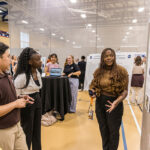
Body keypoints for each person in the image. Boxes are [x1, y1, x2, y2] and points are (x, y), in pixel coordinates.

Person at [89, 48, 128, 150]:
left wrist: (116, 102)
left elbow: (125, 91)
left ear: (114, 56)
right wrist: (92, 92)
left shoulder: (121, 71)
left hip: (114, 103)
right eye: (106, 56)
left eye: (111, 55)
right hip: (100, 102)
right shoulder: (98, 71)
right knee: (103, 130)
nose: (109, 58)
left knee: (113, 131)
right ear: (103, 58)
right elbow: (94, 86)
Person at [0, 42, 33, 150]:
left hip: (17, 126)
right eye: (8, 56)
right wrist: (15, 104)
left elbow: (6, 99)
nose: (10, 60)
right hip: (4, 131)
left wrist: (19, 98)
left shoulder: (6, 75)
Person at [14, 47, 43, 150]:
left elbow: (38, 88)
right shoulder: (21, 77)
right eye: (37, 60)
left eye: (40, 59)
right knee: (27, 131)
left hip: (37, 100)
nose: (40, 62)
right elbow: (15, 96)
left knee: (37, 130)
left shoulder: (37, 72)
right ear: (30, 62)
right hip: (27, 102)